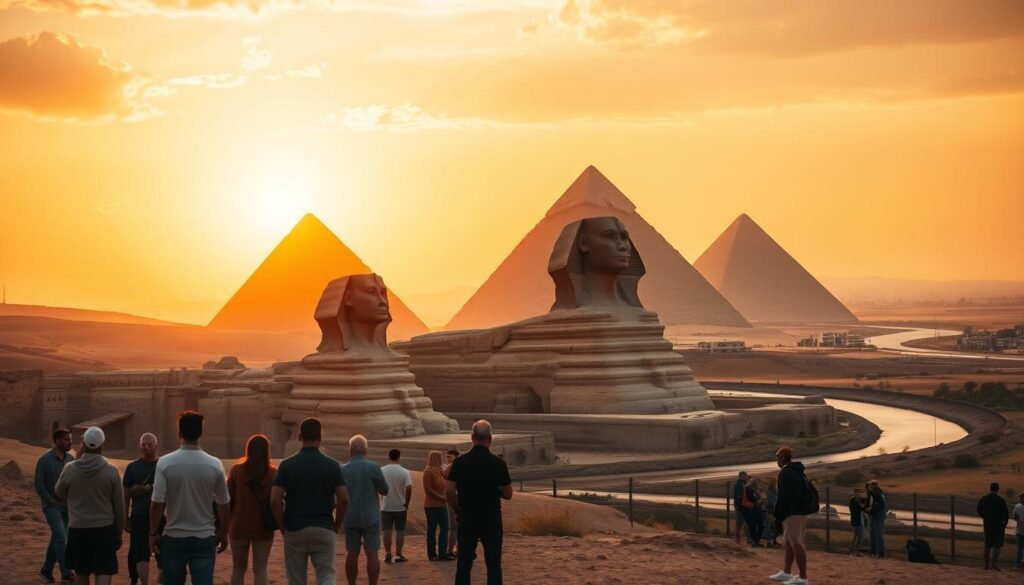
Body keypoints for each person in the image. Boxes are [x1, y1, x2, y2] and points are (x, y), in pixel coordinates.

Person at [150, 411, 230, 585]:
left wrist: (153, 532)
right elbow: (223, 504)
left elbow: (157, 503)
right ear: (201, 433)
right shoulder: (214, 464)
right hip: (204, 535)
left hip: (174, 535)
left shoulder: (165, 463)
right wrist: (224, 532)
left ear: (179, 433)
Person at [271, 417, 349, 585]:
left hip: (294, 527)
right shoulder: (332, 465)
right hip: (323, 526)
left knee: (296, 579)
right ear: (320, 438)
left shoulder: (286, 465)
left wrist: (282, 525)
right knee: (327, 575)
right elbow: (344, 499)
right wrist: (337, 524)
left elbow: (274, 500)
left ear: (299, 437)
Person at [54, 426, 126, 585]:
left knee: (81, 572)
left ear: (84, 444)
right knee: (104, 571)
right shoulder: (112, 470)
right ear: (102, 445)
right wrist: (119, 530)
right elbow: (119, 505)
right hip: (104, 529)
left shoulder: (70, 469)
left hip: (78, 528)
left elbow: (58, 492)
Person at [447, 420, 512, 585]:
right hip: (491, 519)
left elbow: (449, 491)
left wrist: (457, 510)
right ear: (490, 438)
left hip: (467, 517)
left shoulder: (460, 462)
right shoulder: (498, 463)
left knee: (464, 564)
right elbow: (508, 494)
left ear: (472, 437)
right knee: (493, 565)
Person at [227, 434, 277, 585]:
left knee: (238, 568)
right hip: (263, 527)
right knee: (260, 568)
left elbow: (228, 501)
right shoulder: (273, 473)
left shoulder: (236, 470)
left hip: (238, 526)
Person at [339, 435, 388, 585]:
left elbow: (338, 495)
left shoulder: (343, 470)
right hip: (370, 515)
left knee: (352, 553)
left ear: (350, 450)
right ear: (366, 450)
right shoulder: (374, 467)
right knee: (372, 552)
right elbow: (385, 490)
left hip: (350, 516)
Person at [36, 427, 76, 584]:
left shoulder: (71, 459)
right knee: (61, 536)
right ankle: (66, 572)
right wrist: (49, 499)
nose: (70, 442)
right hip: (51, 506)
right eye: (66, 439)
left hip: (68, 507)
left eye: (70, 439)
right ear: (57, 441)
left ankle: (46, 569)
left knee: (56, 538)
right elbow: (38, 484)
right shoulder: (44, 460)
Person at [769, 447, 810, 585]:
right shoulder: (796, 471)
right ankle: (787, 573)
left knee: (796, 543)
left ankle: (803, 578)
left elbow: (784, 497)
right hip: (797, 512)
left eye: (777, 456)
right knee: (789, 542)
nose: (776, 459)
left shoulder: (786, 472)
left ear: (783, 457)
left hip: (793, 513)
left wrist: (779, 515)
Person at [123, 433, 159, 585]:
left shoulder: (163, 465)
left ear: (156, 446)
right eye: (143, 444)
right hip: (138, 514)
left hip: (159, 515)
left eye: (149, 444)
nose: (146, 447)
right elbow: (126, 495)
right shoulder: (132, 467)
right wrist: (125, 517)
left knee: (161, 549)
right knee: (138, 550)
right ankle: (136, 579)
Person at [379, 449, 412, 564]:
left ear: (388, 457)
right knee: (400, 531)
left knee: (386, 531)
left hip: (385, 505)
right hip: (400, 505)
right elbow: (408, 488)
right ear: (399, 457)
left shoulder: (382, 470)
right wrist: (407, 503)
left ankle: (388, 553)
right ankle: (398, 554)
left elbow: (379, 487)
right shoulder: (404, 472)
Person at [423, 451, 451, 561]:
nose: (442, 459)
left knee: (445, 528)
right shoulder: (428, 472)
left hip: (442, 504)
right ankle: (432, 554)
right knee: (432, 529)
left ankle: (442, 553)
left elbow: (447, 478)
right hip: (431, 505)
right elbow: (428, 490)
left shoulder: (440, 470)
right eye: (440, 457)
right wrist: (441, 497)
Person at [977, 482, 1010, 570]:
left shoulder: (984, 499)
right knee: (997, 545)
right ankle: (993, 564)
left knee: (987, 545)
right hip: (998, 525)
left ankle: (986, 565)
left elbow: (978, 509)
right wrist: (1004, 524)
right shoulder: (1001, 500)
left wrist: (984, 517)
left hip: (987, 524)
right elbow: (1006, 514)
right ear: (998, 489)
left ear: (990, 488)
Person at [443, 449, 459, 559]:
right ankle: (451, 549)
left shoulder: (452, 467)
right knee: (454, 526)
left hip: (457, 497)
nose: (448, 459)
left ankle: (455, 549)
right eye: (447, 457)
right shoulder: (448, 467)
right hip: (453, 497)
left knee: (457, 526)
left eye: (450, 457)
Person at [865, 480, 888, 558]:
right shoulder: (873, 494)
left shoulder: (878, 494)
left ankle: (880, 552)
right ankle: (874, 552)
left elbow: (880, 506)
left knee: (878, 534)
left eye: (872, 485)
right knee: (873, 534)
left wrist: (871, 510)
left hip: (878, 516)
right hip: (874, 515)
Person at [732, 471, 749, 544]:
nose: (747, 477)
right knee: (739, 522)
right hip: (740, 506)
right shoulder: (738, 484)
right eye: (745, 476)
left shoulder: (742, 483)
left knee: (741, 522)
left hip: (741, 505)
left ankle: (738, 539)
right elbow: (739, 495)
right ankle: (737, 540)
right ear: (741, 476)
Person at [745, 477, 763, 546]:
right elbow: (753, 500)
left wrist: (760, 500)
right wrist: (760, 500)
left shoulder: (757, 490)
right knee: (753, 526)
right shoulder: (749, 490)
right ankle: (754, 541)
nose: (758, 484)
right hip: (752, 510)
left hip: (758, 510)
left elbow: (758, 501)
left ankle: (756, 541)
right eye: (757, 482)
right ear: (754, 483)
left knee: (760, 525)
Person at [848, 488, 866, 556]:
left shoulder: (854, 500)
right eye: (858, 492)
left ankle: (854, 550)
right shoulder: (854, 501)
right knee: (857, 536)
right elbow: (861, 508)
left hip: (857, 520)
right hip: (857, 520)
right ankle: (853, 550)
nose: (859, 494)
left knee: (858, 536)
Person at [763, 478, 779, 548]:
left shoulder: (774, 490)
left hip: (774, 509)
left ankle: (773, 541)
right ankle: (769, 542)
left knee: (774, 525)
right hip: (771, 510)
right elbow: (771, 501)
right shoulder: (770, 491)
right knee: (770, 525)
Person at [1013, 493, 1024, 569]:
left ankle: (1018, 564)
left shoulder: (1017, 506)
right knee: (1019, 548)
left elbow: (1015, 517)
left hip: (1019, 530)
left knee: (1019, 548)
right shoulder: (1017, 506)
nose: (1020, 499)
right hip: (1019, 530)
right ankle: (1018, 564)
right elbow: (1015, 517)